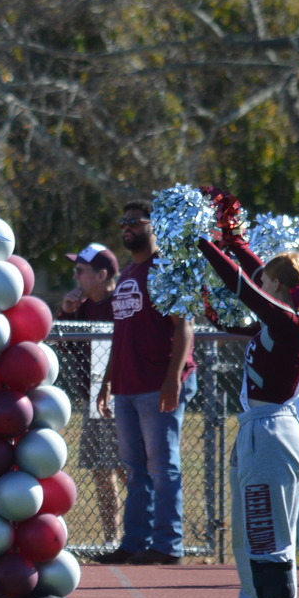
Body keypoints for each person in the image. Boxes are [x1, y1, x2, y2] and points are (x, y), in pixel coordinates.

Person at [197, 236, 299, 598]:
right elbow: (247, 287)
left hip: (272, 432)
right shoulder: (283, 321)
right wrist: (230, 243)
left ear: (279, 285)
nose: (259, 281)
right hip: (267, 430)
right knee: (267, 538)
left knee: (272, 540)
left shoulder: (291, 322)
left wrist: (203, 244)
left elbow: (242, 285)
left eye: (268, 277)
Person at [95, 201, 196, 564]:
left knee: (162, 467)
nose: (127, 227)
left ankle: (168, 545)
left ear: (155, 227)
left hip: (158, 382)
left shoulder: (164, 268)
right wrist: (107, 381)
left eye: (136, 222)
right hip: (126, 385)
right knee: (135, 469)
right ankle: (134, 543)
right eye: (124, 222)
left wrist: (174, 378)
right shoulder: (126, 274)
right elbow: (121, 333)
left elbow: (184, 326)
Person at [58, 243, 121, 545]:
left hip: (120, 396)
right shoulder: (83, 305)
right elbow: (68, 348)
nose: (76, 277)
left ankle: (139, 534)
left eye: (81, 271)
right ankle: (112, 539)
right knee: (101, 470)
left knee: (126, 470)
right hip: (94, 395)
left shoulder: (121, 301)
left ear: (103, 274)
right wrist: (67, 313)